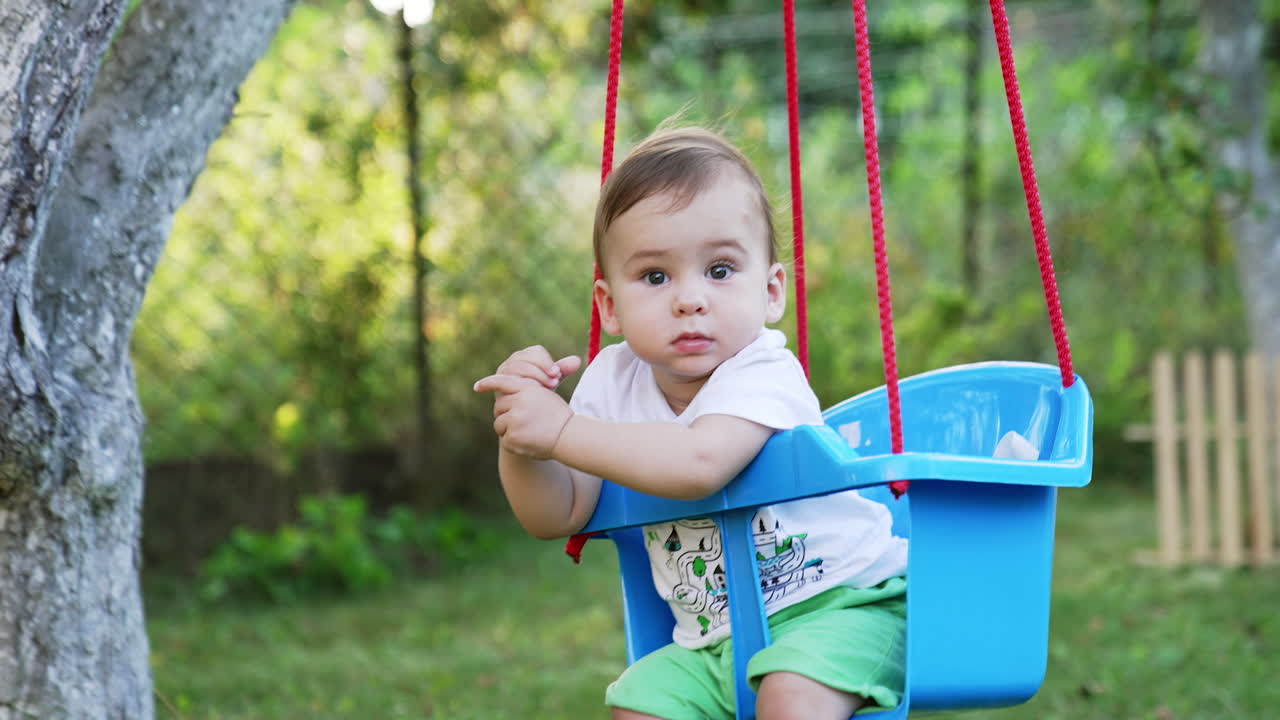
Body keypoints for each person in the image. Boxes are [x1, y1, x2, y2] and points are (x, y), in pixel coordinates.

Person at [473, 126, 908, 720]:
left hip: (843, 606)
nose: (689, 299)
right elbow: (559, 514)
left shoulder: (763, 370)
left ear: (771, 290)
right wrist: (524, 443)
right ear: (609, 307)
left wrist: (563, 433)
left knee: (790, 698)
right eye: (656, 277)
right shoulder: (611, 381)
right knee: (638, 706)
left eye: (721, 270)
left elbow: (699, 464)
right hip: (713, 642)